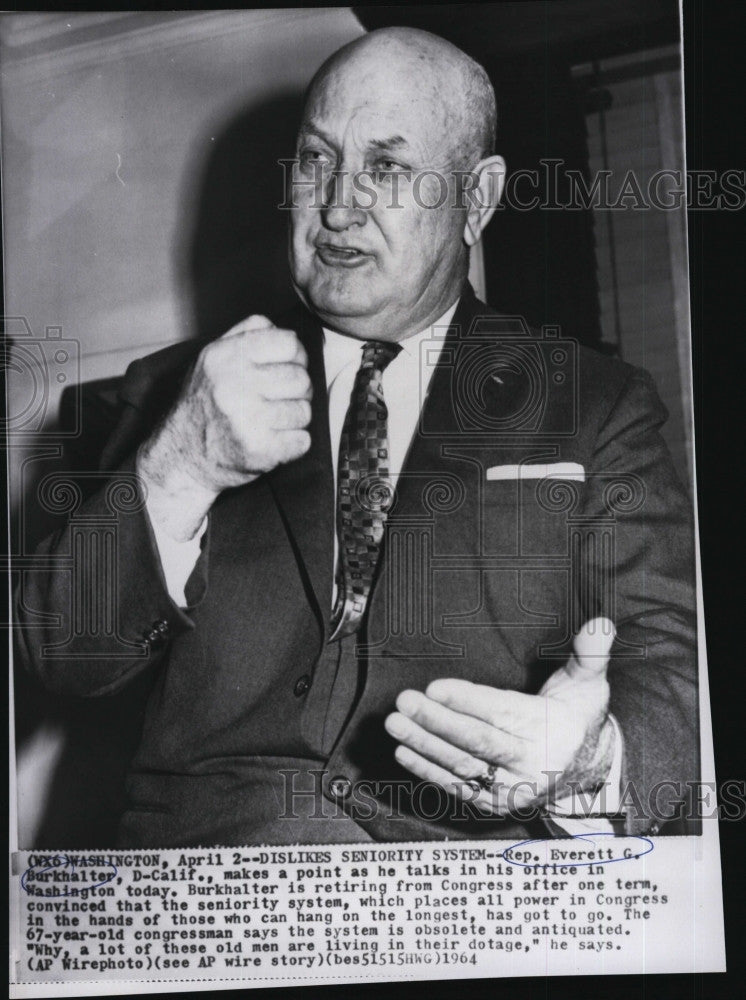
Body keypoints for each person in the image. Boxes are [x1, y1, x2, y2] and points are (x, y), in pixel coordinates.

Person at [15, 28, 698, 847]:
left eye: (386, 167)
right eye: (315, 160)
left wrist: (590, 761)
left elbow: (675, 674)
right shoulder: (170, 396)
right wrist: (182, 462)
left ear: (476, 200)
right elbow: (59, 656)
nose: (338, 204)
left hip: (468, 919)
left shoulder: (597, 405)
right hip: (204, 914)